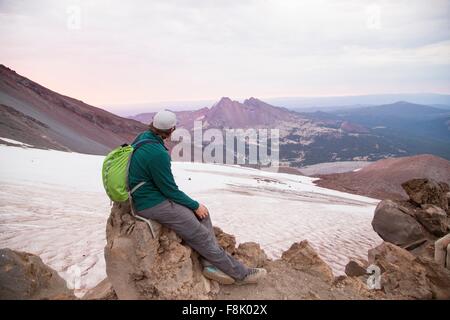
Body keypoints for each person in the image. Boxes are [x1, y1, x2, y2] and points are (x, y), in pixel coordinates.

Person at [128, 110, 267, 285]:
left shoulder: (143, 136)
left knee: (203, 213)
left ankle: (209, 264)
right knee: (201, 234)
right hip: (151, 203)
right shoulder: (158, 154)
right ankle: (241, 274)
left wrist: (196, 207)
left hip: (149, 195)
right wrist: (194, 205)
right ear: (172, 129)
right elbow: (170, 189)